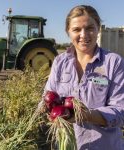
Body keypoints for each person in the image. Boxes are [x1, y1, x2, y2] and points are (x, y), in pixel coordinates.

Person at [42, 5, 124, 150]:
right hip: (67, 145)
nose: (84, 34)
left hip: (104, 146)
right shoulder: (60, 62)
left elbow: (120, 111)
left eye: (90, 28)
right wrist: (47, 109)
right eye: (76, 29)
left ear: (98, 29)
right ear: (68, 31)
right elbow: (48, 96)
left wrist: (86, 115)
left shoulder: (113, 62)